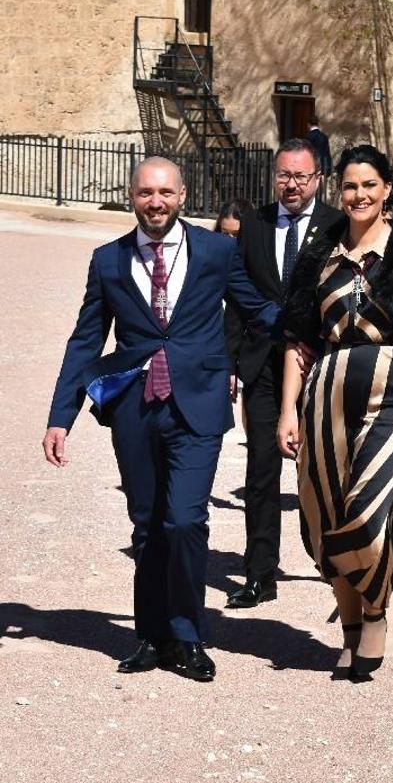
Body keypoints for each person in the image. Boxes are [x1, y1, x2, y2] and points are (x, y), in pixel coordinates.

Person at [43, 157, 279, 682]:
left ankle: (189, 635)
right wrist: (62, 416)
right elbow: (86, 340)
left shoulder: (217, 250)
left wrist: (312, 329)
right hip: (135, 410)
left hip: (197, 403)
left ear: (182, 194)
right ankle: (151, 636)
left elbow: (256, 308)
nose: (156, 202)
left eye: (166, 192)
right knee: (147, 525)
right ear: (132, 196)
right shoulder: (108, 260)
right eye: (146, 192)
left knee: (185, 520)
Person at [277, 144, 393, 680]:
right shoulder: (318, 253)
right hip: (325, 392)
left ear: (387, 189)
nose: (359, 195)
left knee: (369, 509)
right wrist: (287, 408)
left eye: (369, 185)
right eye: (350, 186)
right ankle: (350, 629)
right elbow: (298, 341)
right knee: (326, 509)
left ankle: (375, 610)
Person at [222, 139, 344, 610]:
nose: (291, 185)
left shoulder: (337, 225)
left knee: (323, 469)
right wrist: (234, 362)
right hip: (263, 366)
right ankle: (259, 572)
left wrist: (311, 334)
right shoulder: (253, 225)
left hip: (317, 363)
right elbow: (238, 292)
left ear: (317, 180)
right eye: (284, 176)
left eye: (301, 177)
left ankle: (333, 566)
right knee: (261, 470)